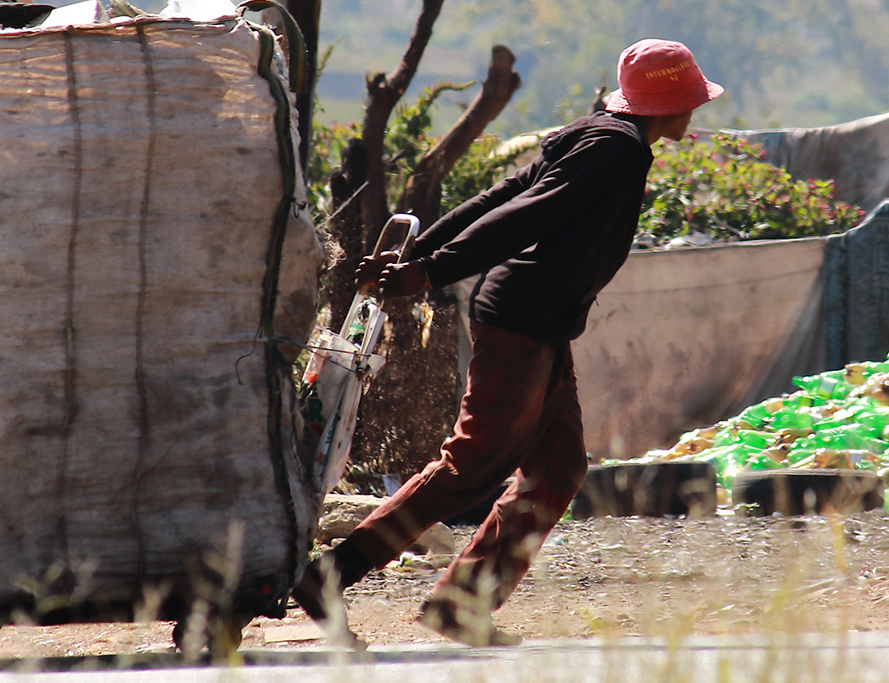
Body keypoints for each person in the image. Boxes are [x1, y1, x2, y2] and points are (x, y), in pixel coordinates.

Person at [295, 38, 725, 646]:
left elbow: (502, 195)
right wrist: (431, 268)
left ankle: (464, 605)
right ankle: (330, 579)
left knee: (556, 470)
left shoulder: (600, 134)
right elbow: (526, 215)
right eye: (690, 100)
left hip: (544, 325)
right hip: (521, 322)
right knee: (471, 466)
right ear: (672, 104)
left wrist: (423, 251)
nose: (694, 112)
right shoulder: (616, 149)